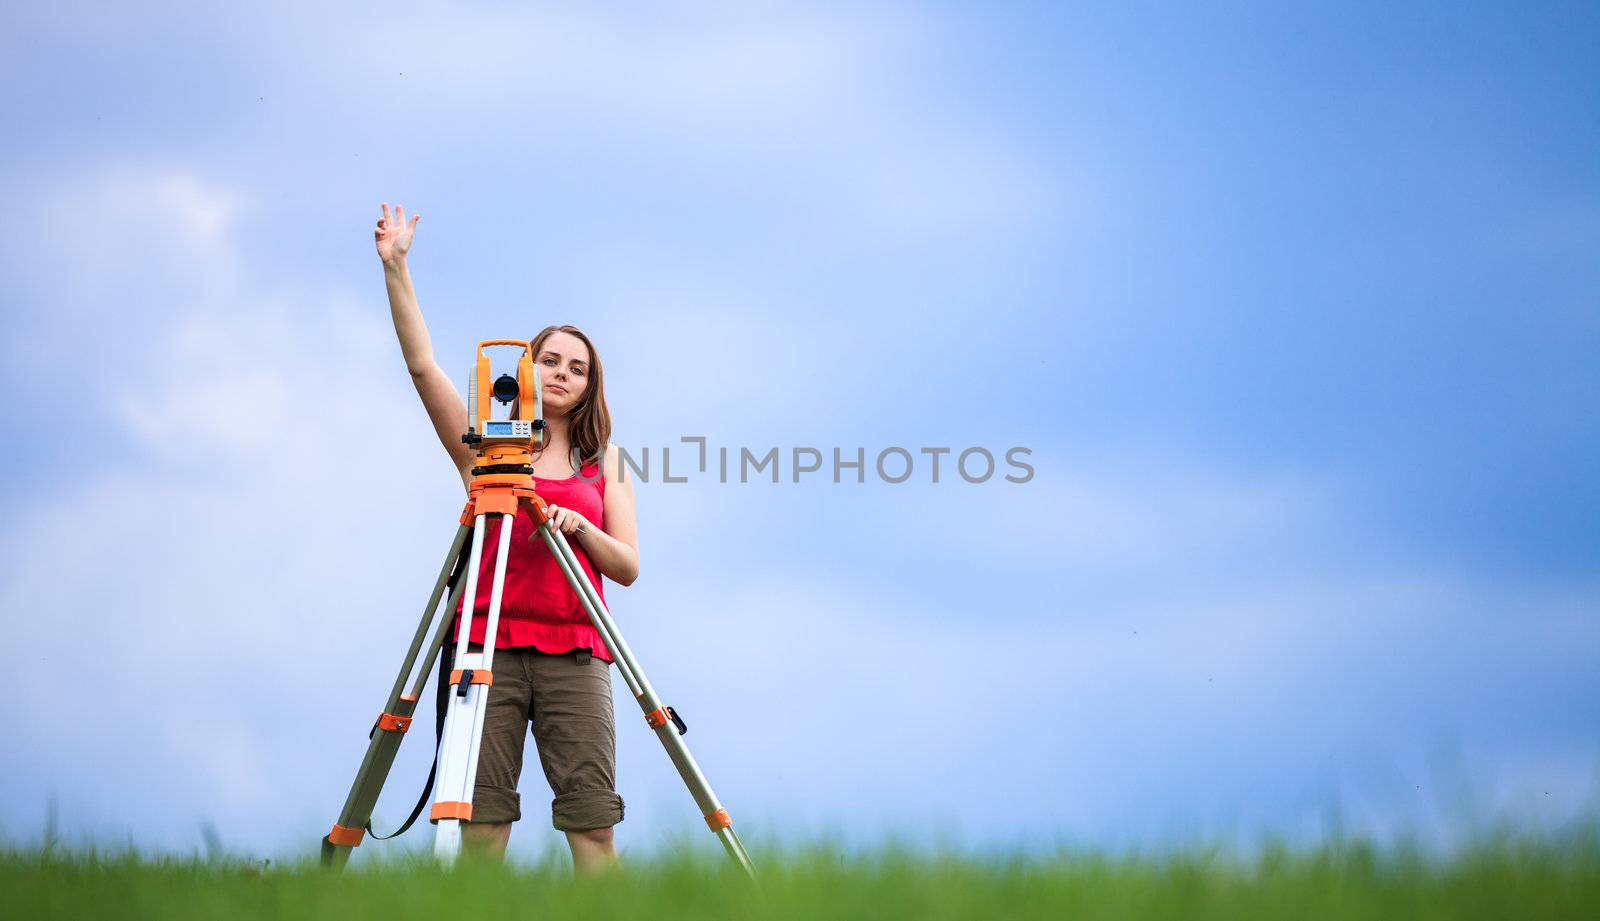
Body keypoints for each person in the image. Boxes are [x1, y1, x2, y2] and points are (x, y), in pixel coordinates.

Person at [373, 202, 639, 874]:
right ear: (524, 368)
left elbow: (629, 565)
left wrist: (580, 527)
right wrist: (397, 267)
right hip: (486, 645)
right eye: (549, 359)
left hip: (576, 651)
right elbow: (423, 366)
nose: (560, 373)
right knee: (483, 827)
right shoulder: (484, 450)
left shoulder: (604, 462)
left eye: (576, 368)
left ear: (589, 386)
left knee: (593, 824)